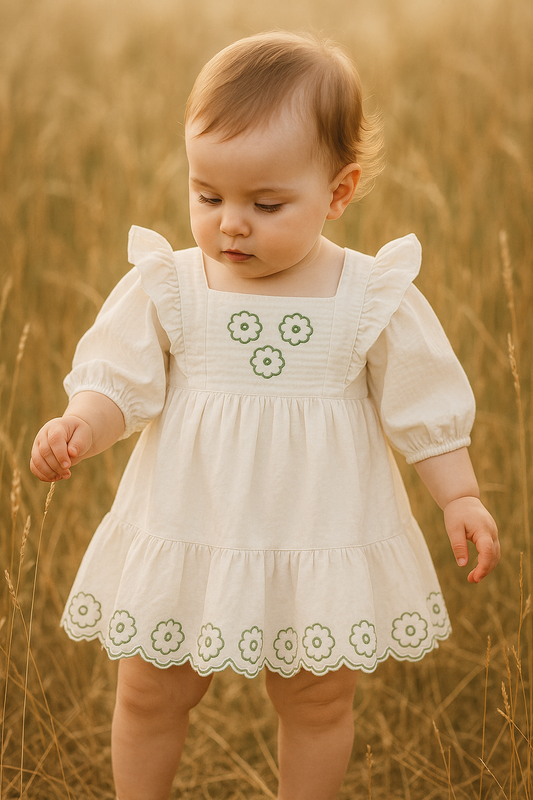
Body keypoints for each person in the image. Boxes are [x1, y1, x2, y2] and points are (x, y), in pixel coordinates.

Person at [30, 30, 499, 800]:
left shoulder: (367, 295)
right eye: (206, 195)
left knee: (317, 698)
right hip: (190, 522)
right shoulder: (173, 285)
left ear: (338, 192)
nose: (230, 224)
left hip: (316, 531)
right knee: (151, 686)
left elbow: (423, 405)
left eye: (266, 203)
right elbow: (122, 379)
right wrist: (84, 419)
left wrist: (459, 494)